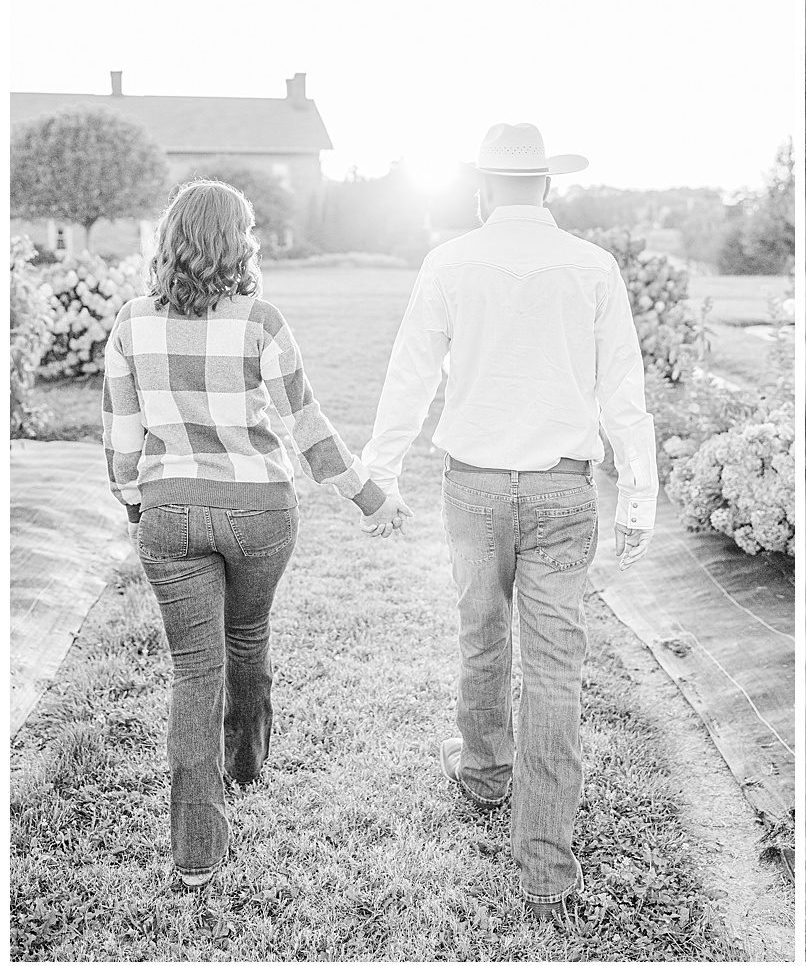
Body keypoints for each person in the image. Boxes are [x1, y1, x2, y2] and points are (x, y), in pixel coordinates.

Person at [360, 121, 657, 925]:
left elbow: (410, 373)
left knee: (481, 636)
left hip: (476, 488)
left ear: (484, 189)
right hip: (564, 491)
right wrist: (639, 493)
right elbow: (622, 389)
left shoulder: (450, 263)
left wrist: (379, 470)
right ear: (549, 187)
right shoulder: (593, 268)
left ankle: (487, 775)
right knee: (556, 669)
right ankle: (545, 870)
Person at [102, 179, 405, 889]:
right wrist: (370, 499)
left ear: (170, 241)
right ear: (240, 244)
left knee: (193, 671)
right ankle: (244, 766)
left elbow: (121, 444)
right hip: (261, 513)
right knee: (248, 639)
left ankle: (194, 856)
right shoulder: (261, 320)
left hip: (170, 513)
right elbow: (307, 424)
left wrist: (136, 508)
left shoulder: (128, 324)